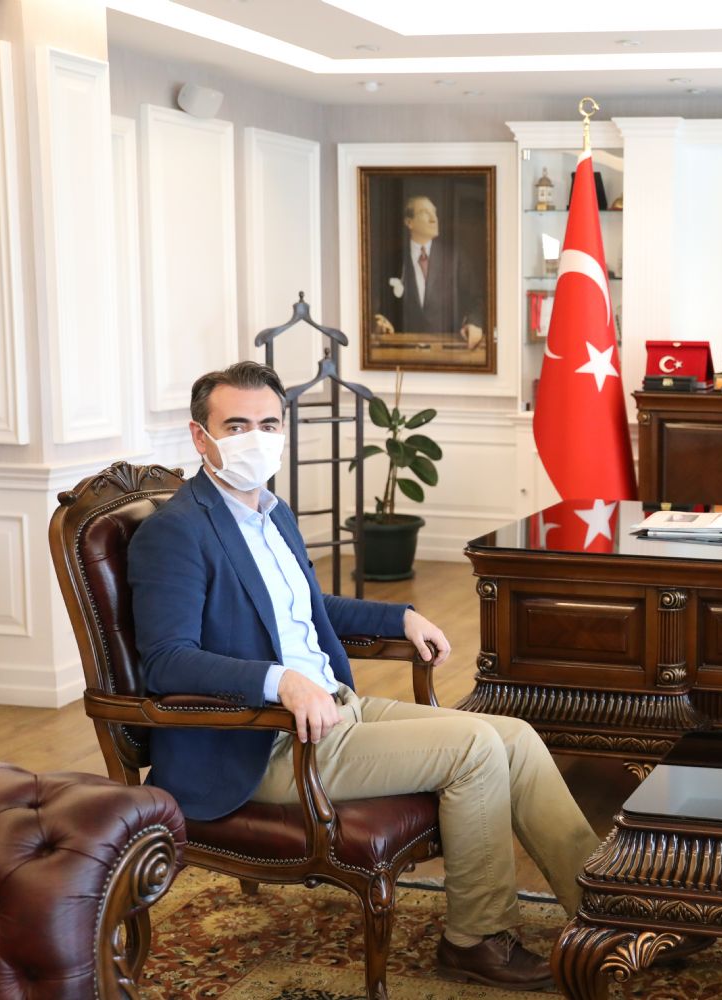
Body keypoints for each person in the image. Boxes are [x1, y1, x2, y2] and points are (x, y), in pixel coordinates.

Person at [127, 361, 592, 990]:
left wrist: (399, 616)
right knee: (476, 748)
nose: (256, 439)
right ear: (199, 436)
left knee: (515, 736)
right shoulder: (176, 532)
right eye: (236, 426)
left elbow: (308, 608)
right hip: (263, 741)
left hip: (334, 707)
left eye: (268, 424)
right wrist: (279, 681)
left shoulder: (271, 513)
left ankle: (603, 910)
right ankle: (476, 940)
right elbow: (166, 658)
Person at [372, 194, 485, 350]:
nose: (434, 219)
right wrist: (379, 322)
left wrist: (474, 323)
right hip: (402, 351)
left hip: (447, 351)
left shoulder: (455, 259)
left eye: (435, 213)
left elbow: (476, 300)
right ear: (409, 222)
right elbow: (378, 306)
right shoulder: (392, 261)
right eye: (425, 213)